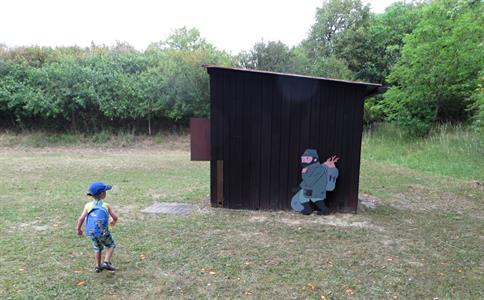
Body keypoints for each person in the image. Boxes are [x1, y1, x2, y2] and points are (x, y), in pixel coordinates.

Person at [76, 181, 118, 273]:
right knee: (111, 245)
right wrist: (113, 222)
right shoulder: (106, 205)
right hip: (103, 231)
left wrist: (78, 229)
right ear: (102, 193)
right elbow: (115, 217)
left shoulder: (88, 205)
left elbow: (81, 218)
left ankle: (98, 267)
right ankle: (106, 262)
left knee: (97, 248)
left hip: (92, 232)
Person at [291, 149, 339, 215]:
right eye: (303, 159)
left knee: (308, 196)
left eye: (307, 158)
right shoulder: (312, 168)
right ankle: (314, 209)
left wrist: (304, 174)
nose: (304, 161)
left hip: (317, 190)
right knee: (307, 196)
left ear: (314, 159)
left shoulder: (318, 169)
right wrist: (299, 187)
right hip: (313, 189)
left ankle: (320, 210)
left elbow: (309, 182)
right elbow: (306, 182)